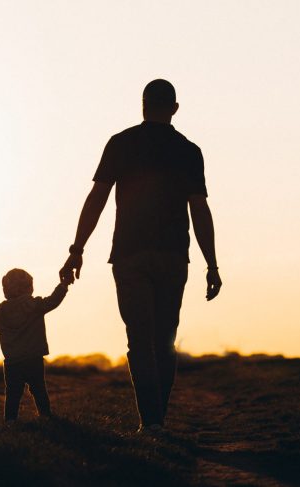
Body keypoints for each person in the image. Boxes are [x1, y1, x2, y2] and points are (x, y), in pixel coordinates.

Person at [58, 79, 222, 434]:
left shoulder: (121, 143)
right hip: (174, 256)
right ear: (175, 108)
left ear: (143, 105)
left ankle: (151, 421)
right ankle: (156, 418)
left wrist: (76, 249)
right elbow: (200, 210)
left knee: (140, 339)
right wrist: (212, 264)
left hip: (129, 254)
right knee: (164, 339)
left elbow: (97, 198)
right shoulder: (189, 151)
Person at [0, 269, 70, 423]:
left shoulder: (0, 312)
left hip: (12, 362)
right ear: (28, 287)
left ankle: (10, 421)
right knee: (39, 390)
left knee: (13, 394)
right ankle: (46, 416)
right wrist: (63, 285)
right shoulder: (35, 305)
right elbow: (54, 300)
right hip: (34, 358)